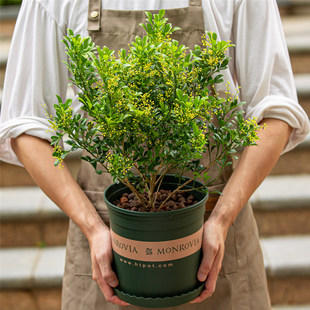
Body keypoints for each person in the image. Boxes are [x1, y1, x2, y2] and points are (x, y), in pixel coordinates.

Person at [0, 0, 309, 309]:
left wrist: (221, 219)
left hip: (214, 235)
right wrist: (93, 229)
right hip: (107, 242)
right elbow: (25, 128)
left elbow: (276, 112)